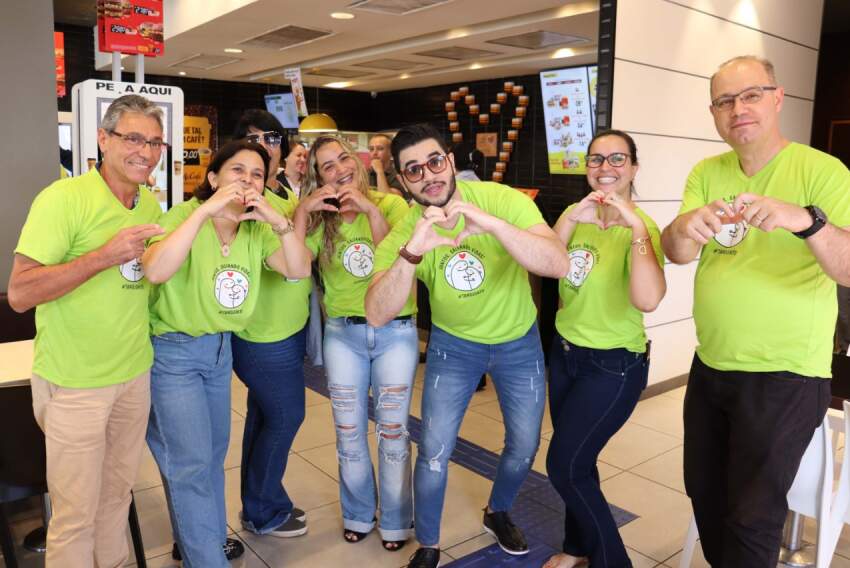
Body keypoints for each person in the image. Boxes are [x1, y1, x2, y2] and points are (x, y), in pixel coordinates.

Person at [661, 55, 850, 567]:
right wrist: (685, 227)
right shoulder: (707, 172)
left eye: (750, 95)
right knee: (705, 495)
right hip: (712, 366)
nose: (737, 109)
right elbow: (676, 251)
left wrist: (806, 221)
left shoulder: (822, 171)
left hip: (784, 375)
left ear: (777, 97)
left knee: (752, 516)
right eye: (724, 101)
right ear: (714, 113)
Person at [365, 123, 569, 568]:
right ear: (402, 180)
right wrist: (413, 250)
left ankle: (498, 511)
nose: (429, 175)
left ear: (451, 162)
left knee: (523, 443)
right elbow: (377, 312)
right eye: (414, 170)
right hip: (453, 349)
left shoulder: (500, 199)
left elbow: (557, 263)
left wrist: (491, 226)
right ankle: (431, 542)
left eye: (435, 162)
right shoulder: (405, 229)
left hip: (519, 343)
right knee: (435, 448)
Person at [7, 94, 165, 567]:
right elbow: (20, 292)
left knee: (118, 497)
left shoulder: (149, 201)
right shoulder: (63, 199)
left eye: (155, 141)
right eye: (133, 137)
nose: (146, 150)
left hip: (134, 375)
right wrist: (103, 256)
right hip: (75, 383)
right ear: (103, 139)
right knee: (75, 515)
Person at [142, 140, 311, 567]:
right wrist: (202, 212)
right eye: (237, 171)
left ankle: (206, 542)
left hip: (220, 353)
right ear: (213, 177)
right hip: (174, 354)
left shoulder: (255, 228)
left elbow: (298, 269)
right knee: (192, 465)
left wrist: (279, 222)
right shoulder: (181, 216)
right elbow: (156, 270)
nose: (248, 181)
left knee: (211, 458)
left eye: (257, 174)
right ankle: (206, 558)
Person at [544, 130, 666, 568]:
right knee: (580, 464)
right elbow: (548, 263)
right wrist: (572, 219)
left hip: (613, 366)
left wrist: (633, 226)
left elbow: (648, 300)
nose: (605, 167)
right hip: (565, 356)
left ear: (633, 167)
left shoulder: (644, 228)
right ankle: (577, 549)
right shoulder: (573, 216)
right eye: (596, 159)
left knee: (563, 466)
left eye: (617, 159)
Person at [294, 135, 419, 551]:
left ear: (359, 161)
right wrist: (302, 211)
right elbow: (296, 263)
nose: (338, 170)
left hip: (396, 332)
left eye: (343, 159)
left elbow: (394, 258)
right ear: (319, 178)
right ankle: (358, 513)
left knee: (393, 430)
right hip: (343, 334)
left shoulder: (393, 205)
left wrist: (368, 207)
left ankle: (398, 519)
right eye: (326, 167)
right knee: (348, 431)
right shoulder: (321, 218)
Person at [229, 113, 313, 539]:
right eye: (252, 140)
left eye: (273, 137)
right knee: (286, 416)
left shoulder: (278, 194)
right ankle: (263, 509)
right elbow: (293, 265)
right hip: (263, 335)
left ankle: (257, 504)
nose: (265, 144)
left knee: (265, 417)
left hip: (289, 328)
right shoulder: (250, 204)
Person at [368, 133, 407, 198]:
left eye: (380, 148)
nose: (374, 153)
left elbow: (387, 199)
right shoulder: (365, 174)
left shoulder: (398, 176)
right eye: (371, 149)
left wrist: (379, 171)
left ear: (391, 152)